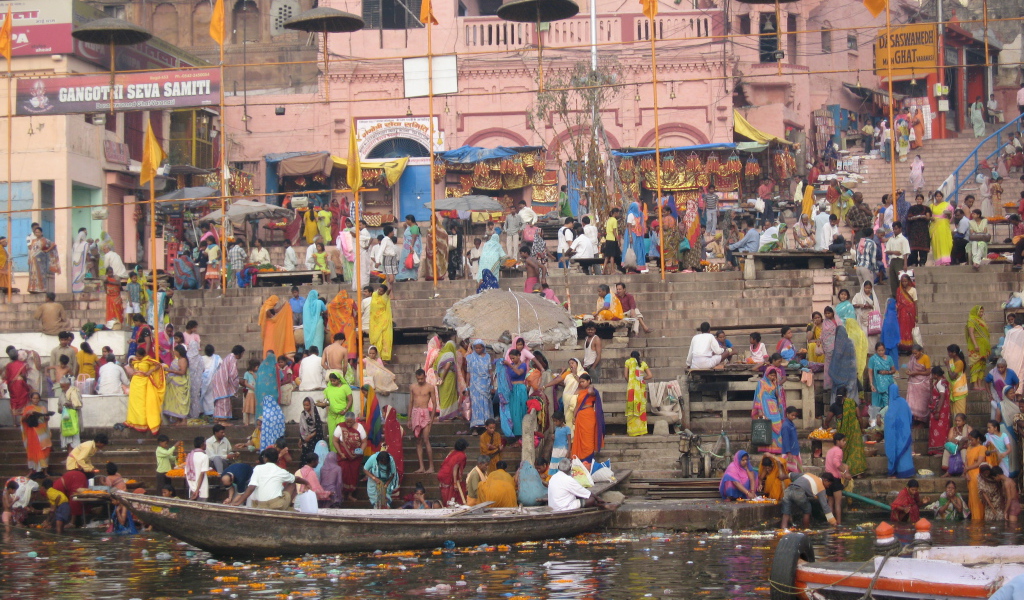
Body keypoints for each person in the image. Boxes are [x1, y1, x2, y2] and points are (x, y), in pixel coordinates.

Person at [232, 448, 309, 510]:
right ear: (277, 459)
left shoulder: (258, 468)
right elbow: (297, 479)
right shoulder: (280, 471)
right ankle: (288, 507)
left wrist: (239, 502)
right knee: (292, 483)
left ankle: (286, 506)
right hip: (275, 505)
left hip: (258, 504)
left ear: (265, 459)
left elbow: (252, 486)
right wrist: (306, 482)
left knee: (289, 482)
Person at [124, 347, 166, 435]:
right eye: (137, 356)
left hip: (144, 383)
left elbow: (159, 365)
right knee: (135, 403)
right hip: (135, 384)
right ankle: (134, 421)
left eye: (139, 357)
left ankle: (144, 423)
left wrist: (150, 371)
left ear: (143, 355)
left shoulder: (148, 360)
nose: (138, 358)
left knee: (143, 403)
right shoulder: (134, 361)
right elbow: (132, 367)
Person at [571, 374, 604, 469]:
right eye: (580, 382)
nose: (581, 383)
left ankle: (588, 462)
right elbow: (578, 404)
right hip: (580, 417)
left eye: (583, 381)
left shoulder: (592, 390)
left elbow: (592, 393)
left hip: (589, 416)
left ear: (589, 381)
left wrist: (591, 388)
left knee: (588, 439)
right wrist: (574, 416)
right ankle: (580, 463)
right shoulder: (581, 391)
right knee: (580, 440)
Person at [409, 368, 437, 473]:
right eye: (418, 379)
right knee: (418, 441)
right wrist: (408, 419)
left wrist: (432, 419)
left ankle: (431, 467)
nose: (420, 381)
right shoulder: (412, 387)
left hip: (425, 413)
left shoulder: (430, 387)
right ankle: (421, 467)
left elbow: (434, 404)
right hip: (415, 413)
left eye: (422, 378)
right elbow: (411, 402)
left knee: (426, 439)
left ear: (425, 376)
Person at [885, 383, 916, 478]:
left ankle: (895, 471)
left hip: (895, 434)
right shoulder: (903, 402)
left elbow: (889, 419)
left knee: (895, 450)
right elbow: (910, 416)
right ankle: (906, 471)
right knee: (904, 452)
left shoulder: (891, 405)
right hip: (904, 433)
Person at [21, 392, 52, 474]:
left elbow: (46, 420)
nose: (35, 400)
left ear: (39, 399)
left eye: (37, 398)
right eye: (34, 398)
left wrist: (47, 417)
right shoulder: (27, 408)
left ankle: (45, 471)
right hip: (33, 432)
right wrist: (28, 414)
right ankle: (31, 470)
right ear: (31, 399)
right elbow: (22, 420)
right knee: (32, 450)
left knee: (45, 449)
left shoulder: (43, 408)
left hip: (43, 432)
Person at [466, 340, 493, 431]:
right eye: (476, 348)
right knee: (476, 404)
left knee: (485, 404)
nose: (478, 349)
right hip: (474, 385)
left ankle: (487, 424)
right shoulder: (470, 357)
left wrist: (492, 385)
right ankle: (476, 426)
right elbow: (468, 373)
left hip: (485, 384)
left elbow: (490, 371)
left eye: (480, 348)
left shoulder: (487, 357)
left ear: (483, 348)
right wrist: (467, 386)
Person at [623, 351, 651, 437]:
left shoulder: (628, 362)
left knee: (632, 408)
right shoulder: (643, 363)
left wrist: (630, 382)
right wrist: (642, 378)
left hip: (632, 389)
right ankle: (641, 431)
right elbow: (650, 375)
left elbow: (625, 375)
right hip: (641, 389)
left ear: (631, 356)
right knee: (641, 408)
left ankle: (632, 432)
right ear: (639, 356)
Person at [965, 305, 991, 391]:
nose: (981, 313)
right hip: (975, 347)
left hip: (984, 347)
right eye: (980, 312)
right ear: (976, 311)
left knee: (982, 365)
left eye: (982, 312)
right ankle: (975, 384)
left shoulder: (982, 321)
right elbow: (971, 333)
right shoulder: (971, 320)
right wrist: (975, 344)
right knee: (975, 365)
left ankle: (980, 384)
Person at [437, 438, 468, 506]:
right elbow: (455, 468)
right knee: (452, 493)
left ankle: (446, 504)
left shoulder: (451, 452)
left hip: (442, 473)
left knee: (445, 493)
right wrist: (455, 483)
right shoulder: (462, 455)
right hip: (449, 475)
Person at [867, 342, 896, 410]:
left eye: (882, 350)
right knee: (876, 404)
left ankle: (887, 416)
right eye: (879, 351)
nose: (881, 352)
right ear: (876, 350)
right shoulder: (873, 359)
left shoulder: (889, 358)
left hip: (888, 383)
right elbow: (870, 371)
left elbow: (893, 370)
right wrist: (871, 384)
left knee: (887, 403)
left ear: (885, 350)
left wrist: (887, 372)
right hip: (877, 384)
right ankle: (878, 417)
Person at [905, 194, 931, 266]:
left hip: (923, 230)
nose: (919, 200)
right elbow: (908, 218)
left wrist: (924, 216)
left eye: (920, 199)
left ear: (923, 200)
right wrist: (915, 217)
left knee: (924, 247)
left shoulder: (926, 208)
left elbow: (928, 217)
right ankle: (914, 262)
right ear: (915, 200)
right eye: (918, 199)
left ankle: (922, 262)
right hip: (914, 230)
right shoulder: (912, 208)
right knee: (914, 248)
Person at [885, 222, 910, 297]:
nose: (894, 230)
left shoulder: (903, 239)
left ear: (900, 229)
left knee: (900, 280)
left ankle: (903, 295)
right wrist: (894, 252)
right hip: (892, 261)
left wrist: (905, 264)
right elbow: (887, 251)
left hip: (900, 261)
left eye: (896, 229)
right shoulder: (891, 239)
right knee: (893, 280)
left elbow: (905, 252)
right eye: (893, 229)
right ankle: (895, 296)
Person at [369, 285, 393, 361]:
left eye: (381, 291)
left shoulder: (384, 297)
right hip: (375, 323)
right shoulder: (374, 295)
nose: (379, 292)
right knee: (376, 340)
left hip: (384, 322)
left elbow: (389, 290)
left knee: (385, 340)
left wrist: (390, 283)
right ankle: (377, 357)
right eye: (379, 290)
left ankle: (384, 358)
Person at [896, 274, 918, 353]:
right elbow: (898, 302)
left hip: (910, 314)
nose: (904, 283)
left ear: (909, 281)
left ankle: (909, 348)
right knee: (902, 330)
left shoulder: (913, 290)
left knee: (909, 330)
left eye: (905, 281)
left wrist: (916, 316)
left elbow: (915, 303)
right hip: (901, 314)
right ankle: (902, 347)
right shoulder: (899, 290)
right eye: (902, 282)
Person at [184, 437, 209, 502]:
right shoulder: (204, 456)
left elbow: (186, 474)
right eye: (205, 443)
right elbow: (202, 474)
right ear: (202, 445)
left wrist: (193, 488)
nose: (206, 445)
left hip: (192, 488)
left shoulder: (189, 456)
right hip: (201, 489)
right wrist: (197, 490)